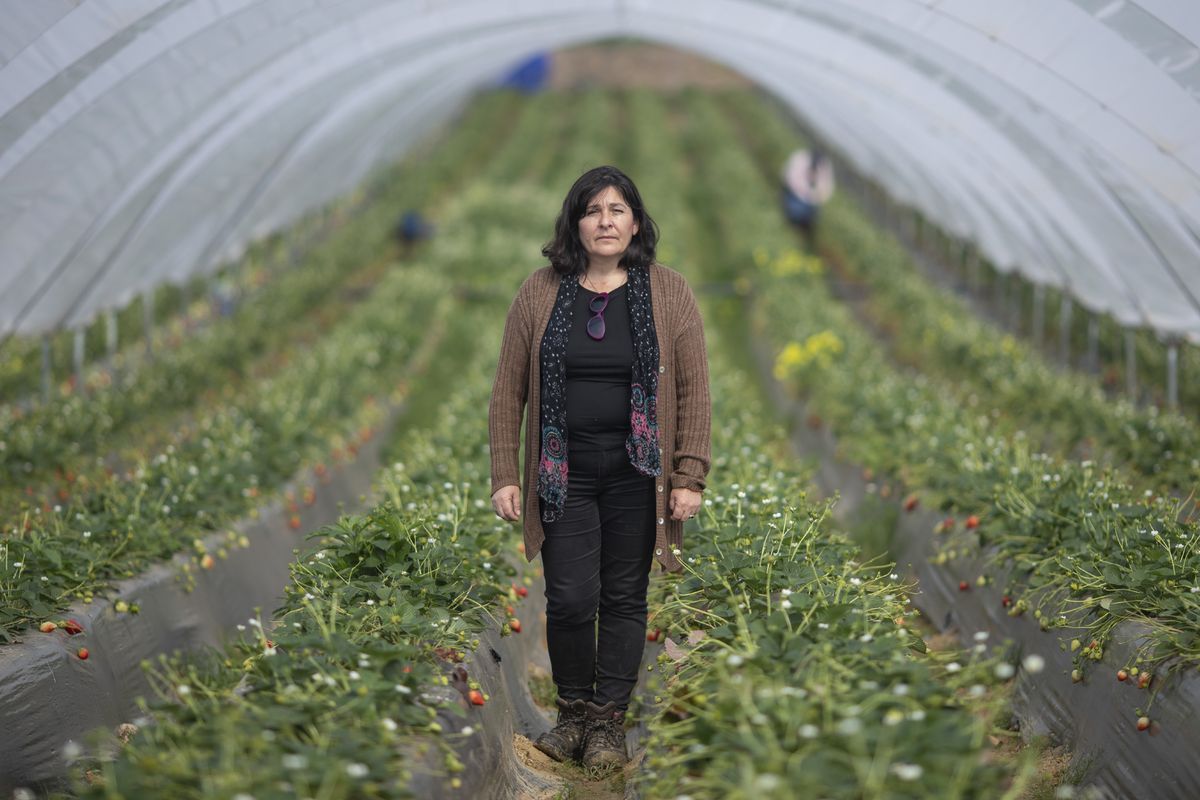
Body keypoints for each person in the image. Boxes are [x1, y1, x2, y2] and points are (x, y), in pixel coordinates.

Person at [488, 165, 711, 770]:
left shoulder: (668, 292)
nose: (605, 221)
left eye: (617, 210)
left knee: (623, 596)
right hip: (564, 473)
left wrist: (688, 476)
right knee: (566, 598)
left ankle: (609, 724)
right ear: (575, 223)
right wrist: (505, 472)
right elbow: (509, 389)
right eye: (593, 211)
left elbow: (692, 390)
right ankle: (573, 714)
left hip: (639, 474)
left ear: (635, 222)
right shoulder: (539, 291)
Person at [781, 148, 835, 241]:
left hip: (811, 201)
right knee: (796, 211)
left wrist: (814, 194)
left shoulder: (825, 168)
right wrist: (805, 190)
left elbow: (826, 189)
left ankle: (802, 234)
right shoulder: (801, 159)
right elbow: (790, 179)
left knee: (811, 217)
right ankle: (790, 228)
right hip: (793, 193)